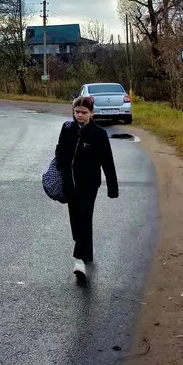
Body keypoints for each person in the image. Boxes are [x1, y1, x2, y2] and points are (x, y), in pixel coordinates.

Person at [54, 95, 119, 284]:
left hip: (89, 185)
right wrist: (60, 163)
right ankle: (87, 251)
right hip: (69, 184)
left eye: (83, 112)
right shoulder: (67, 129)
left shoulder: (98, 134)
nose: (79, 116)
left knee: (83, 218)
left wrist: (112, 187)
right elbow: (60, 149)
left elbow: (107, 161)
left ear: (92, 113)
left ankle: (79, 260)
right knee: (76, 221)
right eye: (77, 112)